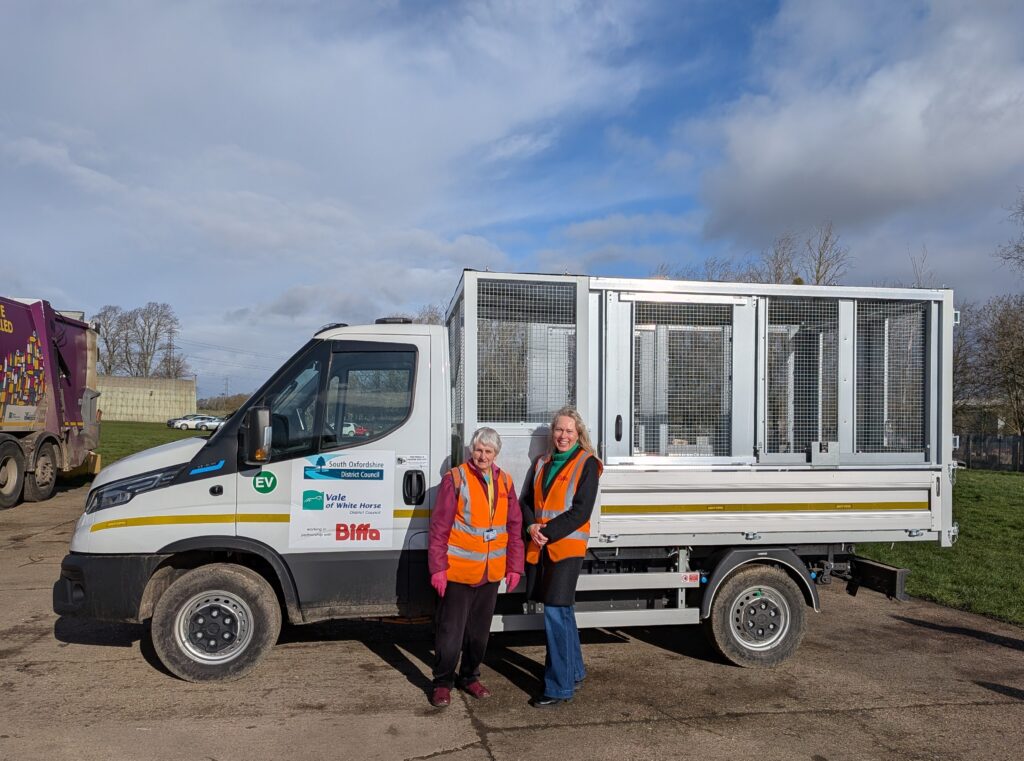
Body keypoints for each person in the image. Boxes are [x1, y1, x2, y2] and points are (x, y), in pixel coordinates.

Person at [427, 427, 524, 708]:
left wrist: (514, 566)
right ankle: (442, 683)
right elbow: (439, 528)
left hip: (490, 572)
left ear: (496, 454)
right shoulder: (455, 479)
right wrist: (438, 569)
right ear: (472, 450)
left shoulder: (505, 481)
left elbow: (514, 526)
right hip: (458, 571)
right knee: (450, 634)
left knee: (479, 634)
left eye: (488, 451)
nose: (482, 456)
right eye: (479, 450)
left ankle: (470, 677)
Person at [520, 406, 603, 707]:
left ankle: (558, 688)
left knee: (556, 612)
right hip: (542, 545)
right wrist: (531, 526)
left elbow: (580, 511)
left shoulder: (588, 464)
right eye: (559, 430)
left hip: (567, 548)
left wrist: (546, 532)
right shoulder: (542, 462)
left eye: (569, 430)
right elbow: (526, 500)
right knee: (562, 613)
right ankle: (574, 673)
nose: (563, 435)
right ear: (552, 433)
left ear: (578, 434)